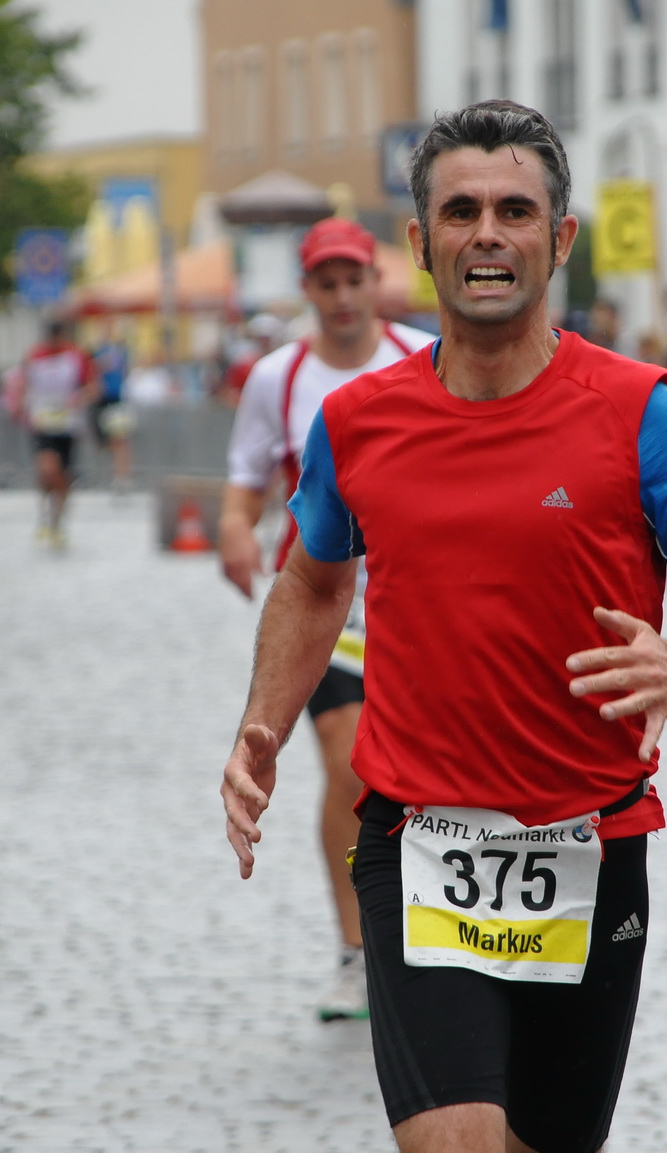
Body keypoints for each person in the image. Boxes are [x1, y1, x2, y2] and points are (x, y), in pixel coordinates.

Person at [218, 100, 667, 1153]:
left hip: (591, 838)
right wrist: (261, 721)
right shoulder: (357, 420)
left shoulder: (638, 413)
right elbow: (309, 584)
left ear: (559, 238)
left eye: (516, 210)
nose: (488, 232)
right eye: (462, 210)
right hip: (415, 838)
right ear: (421, 243)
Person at [217, 216, 433, 1022]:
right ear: (307, 290)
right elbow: (244, 478)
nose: (342, 298)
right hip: (324, 603)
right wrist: (237, 526)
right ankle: (356, 951)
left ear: (376, 282)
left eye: (354, 280)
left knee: (420, 772)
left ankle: (440, 928)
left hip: (418, 604)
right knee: (349, 764)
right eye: (326, 283)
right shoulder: (279, 375)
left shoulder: (423, 358)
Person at [20, 318, 99, 547]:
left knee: (63, 476)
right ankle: (44, 514)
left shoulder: (77, 356)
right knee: (47, 468)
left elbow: (93, 388)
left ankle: (58, 522)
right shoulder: (34, 356)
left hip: (67, 424)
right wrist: (23, 404)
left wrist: (80, 397)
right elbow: (24, 384)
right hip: (42, 422)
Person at [90, 324, 136, 495]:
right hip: (102, 401)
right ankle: (114, 474)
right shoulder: (97, 353)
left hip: (115, 400)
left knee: (120, 440)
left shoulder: (119, 352)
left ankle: (121, 476)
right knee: (104, 442)